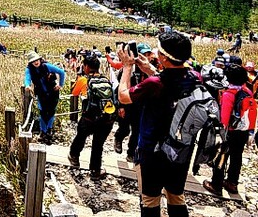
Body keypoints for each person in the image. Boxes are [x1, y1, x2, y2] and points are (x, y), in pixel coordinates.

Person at [117, 32, 200, 217]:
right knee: (176, 196)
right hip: (181, 149)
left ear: (163, 57)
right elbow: (170, 83)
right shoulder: (194, 77)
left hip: (153, 151)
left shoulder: (154, 84)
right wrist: (150, 69)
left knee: (150, 200)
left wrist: (127, 67)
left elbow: (123, 96)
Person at [204, 64, 256, 195]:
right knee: (237, 157)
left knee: (221, 156)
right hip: (243, 131)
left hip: (229, 132)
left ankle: (216, 185)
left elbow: (224, 118)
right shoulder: (247, 91)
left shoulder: (229, 94)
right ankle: (232, 183)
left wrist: (219, 133)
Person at [69, 54, 116, 179]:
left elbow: (74, 93)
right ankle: (95, 171)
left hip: (89, 119)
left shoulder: (83, 80)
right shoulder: (106, 80)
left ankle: (74, 157)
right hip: (106, 120)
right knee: (98, 145)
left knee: (80, 137)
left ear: (86, 67)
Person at [24, 52, 66, 143]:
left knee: (51, 112)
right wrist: (27, 85)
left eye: (37, 60)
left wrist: (60, 85)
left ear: (40, 59)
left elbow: (61, 72)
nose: (36, 62)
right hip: (41, 94)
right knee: (42, 112)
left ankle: (49, 131)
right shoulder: (29, 70)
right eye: (33, 61)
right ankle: (43, 132)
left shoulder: (46, 66)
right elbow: (27, 78)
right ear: (30, 63)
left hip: (53, 92)